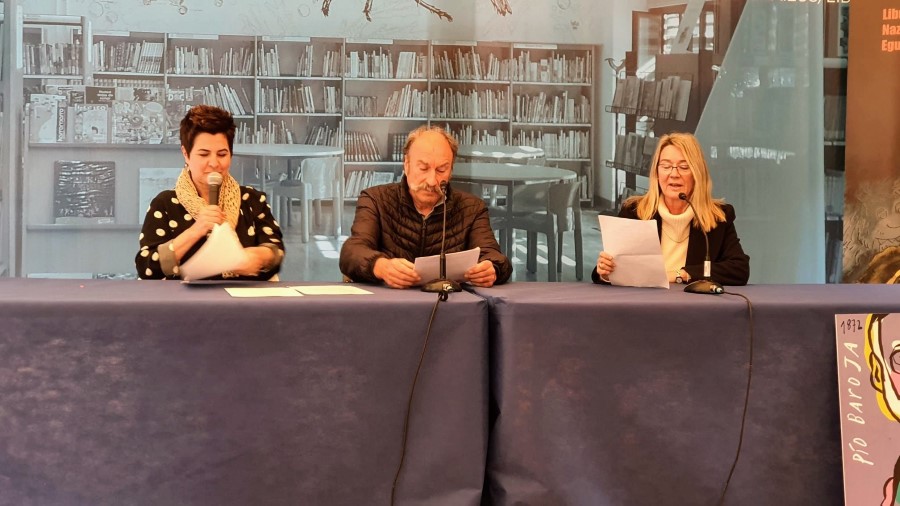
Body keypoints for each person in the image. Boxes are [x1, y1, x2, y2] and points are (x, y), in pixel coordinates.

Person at [339, 125, 512, 288]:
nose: (431, 181)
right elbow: (352, 252)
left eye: (441, 170)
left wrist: (492, 269)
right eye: (423, 168)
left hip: (449, 306)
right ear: (406, 165)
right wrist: (381, 266)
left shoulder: (472, 208)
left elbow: (494, 257)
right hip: (389, 304)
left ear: (451, 170)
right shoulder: (376, 200)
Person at [135, 105, 284, 280]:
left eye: (222, 154)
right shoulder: (165, 204)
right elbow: (146, 268)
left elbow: (275, 250)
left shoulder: (252, 200)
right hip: (187, 305)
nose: (214, 163)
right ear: (186, 154)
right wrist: (196, 230)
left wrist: (259, 257)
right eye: (204, 154)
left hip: (243, 303)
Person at [593, 132, 749, 286]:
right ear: (656, 172)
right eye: (666, 166)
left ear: (697, 173)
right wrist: (605, 272)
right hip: (643, 304)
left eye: (683, 167)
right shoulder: (634, 212)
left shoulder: (718, 217)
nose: (674, 174)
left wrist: (682, 274)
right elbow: (609, 270)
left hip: (693, 306)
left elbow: (739, 269)